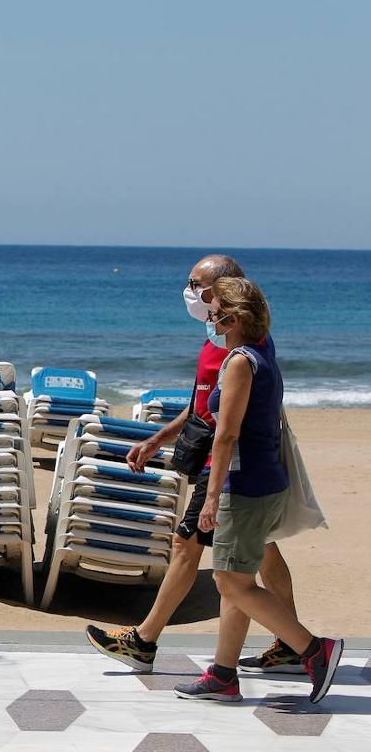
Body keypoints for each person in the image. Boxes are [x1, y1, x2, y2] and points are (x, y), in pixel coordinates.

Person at [85, 255, 302, 674]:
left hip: (230, 466)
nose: (189, 291)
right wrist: (157, 438)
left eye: (196, 284)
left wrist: (215, 489)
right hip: (234, 466)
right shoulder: (219, 340)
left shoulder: (239, 346)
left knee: (193, 549)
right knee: (260, 553)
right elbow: (202, 402)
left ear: (224, 293)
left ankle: (145, 640)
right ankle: (282, 649)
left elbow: (228, 426)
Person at [173, 277, 341, 703]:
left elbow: (226, 436)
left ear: (233, 317)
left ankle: (313, 649)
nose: (209, 319)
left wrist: (211, 498)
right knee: (238, 581)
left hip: (243, 487)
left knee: (231, 583)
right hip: (263, 483)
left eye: (214, 312)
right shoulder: (260, 355)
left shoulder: (238, 364)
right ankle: (223, 676)